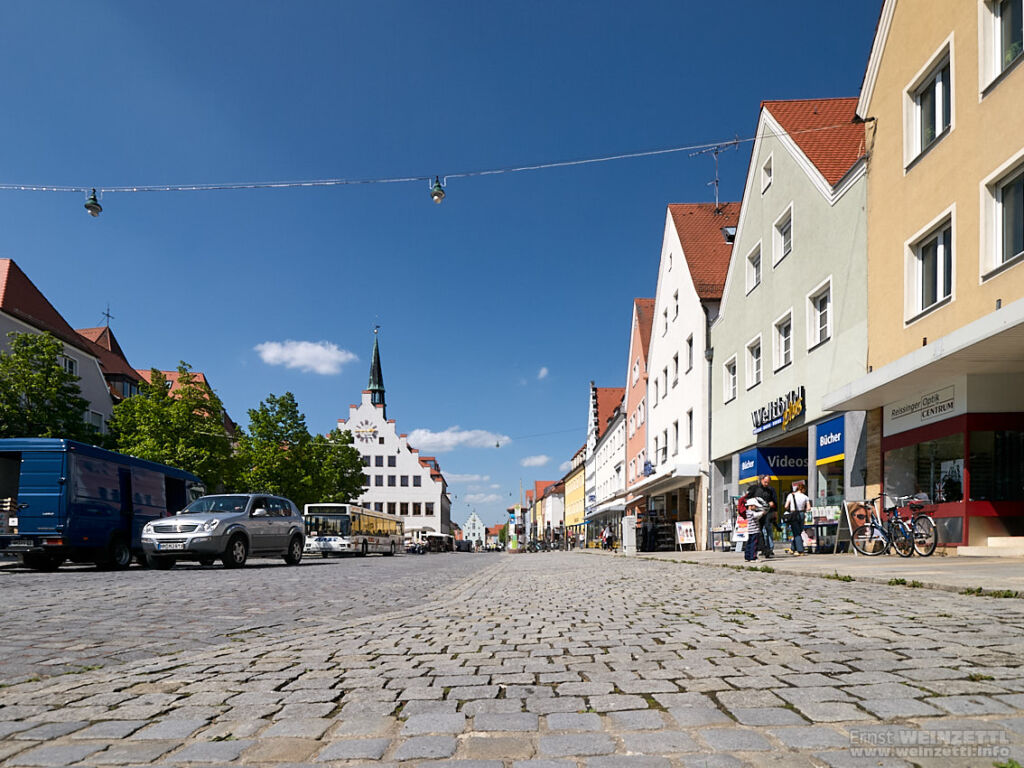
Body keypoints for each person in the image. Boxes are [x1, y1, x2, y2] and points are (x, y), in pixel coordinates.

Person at [751, 474, 779, 559]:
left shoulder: (770, 490)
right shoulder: (756, 489)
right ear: (762, 480)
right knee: (760, 532)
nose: (767, 484)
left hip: (768, 513)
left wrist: (775, 511)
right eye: (765, 482)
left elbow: (774, 502)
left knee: (768, 531)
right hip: (758, 513)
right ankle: (764, 549)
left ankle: (769, 549)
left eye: (768, 482)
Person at [784, 481, 811, 556]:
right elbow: (809, 508)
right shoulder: (805, 497)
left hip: (793, 514)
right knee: (798, 531)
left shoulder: (791, 495)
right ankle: (792, 549)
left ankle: (800, 550)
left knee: (796, 533)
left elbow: (786, 506)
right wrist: (803, 510)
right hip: (802, 514)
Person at [743, 484, 766, 562]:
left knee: (749, 544)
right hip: (754, 531)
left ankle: (747, 556)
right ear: (751, 506)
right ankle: (753, 557)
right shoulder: (751, 512)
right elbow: (756, 516)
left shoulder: (747, 512)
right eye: (755, 506)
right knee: (754, 544)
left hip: (750, 531)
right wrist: (762, 513)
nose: (756, 507)